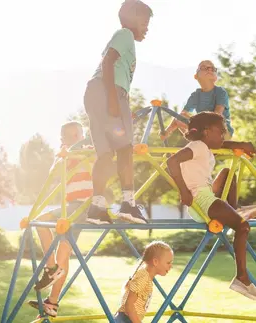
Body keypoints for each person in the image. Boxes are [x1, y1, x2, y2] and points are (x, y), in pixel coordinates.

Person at [167, 111, 256, 300]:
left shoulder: (203, 146)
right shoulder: (198, 146)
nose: (223, 135)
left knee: (226, 172)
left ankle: (234, 212)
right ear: (206, 132)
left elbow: (222, 144)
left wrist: (240, 145)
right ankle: (241, 277)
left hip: (205, 194)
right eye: (221, 131)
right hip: (200, 200)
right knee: (243, 226)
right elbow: (172, 161)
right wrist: (183, 191)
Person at [83, 0, 153, 225]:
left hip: (97, 93)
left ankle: (97, 207)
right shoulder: (125, 35)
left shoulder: (124, 38)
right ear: (132, 17)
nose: (147, 28)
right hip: (108, 91)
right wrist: (114, 99)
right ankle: (128, 204)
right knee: (125, 150)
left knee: (106, 155)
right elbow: (108, 62)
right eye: (145, 22)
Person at [28, 121, 94, 317]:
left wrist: (87, 149)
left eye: (78, 135)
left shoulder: (88, 151)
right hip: (71, 205)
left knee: (42, 220)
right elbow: (53, 174)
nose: (76, 139)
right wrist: (62, 156)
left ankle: (50, 268)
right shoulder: (64, 157)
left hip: (82, 205)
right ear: (63, 139)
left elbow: (99, 158)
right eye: (70, 136)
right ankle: (52, 303)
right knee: (63, 252)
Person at [161, 60, 234, 141]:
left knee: (212, 122)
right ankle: (197, 140)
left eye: (212, 69)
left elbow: (217, 116)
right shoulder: (196, 95)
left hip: (221, 132)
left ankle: (198, 139)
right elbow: (180, 117)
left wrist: (196, 123)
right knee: (181, 116)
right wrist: (167, 131)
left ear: (215, 77)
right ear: (196, 76)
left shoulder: (220, 92)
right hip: (203, 129)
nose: (209, 69)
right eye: (204, 67)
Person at [115, 241, 173, 323]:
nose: (171, 266)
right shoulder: (143, 278)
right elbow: (129, 305)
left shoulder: (145, 276)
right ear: (155, 262)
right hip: (126, 319)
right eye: (168, 262)